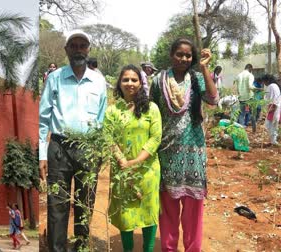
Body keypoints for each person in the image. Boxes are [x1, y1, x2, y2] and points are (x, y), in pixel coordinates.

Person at [39, 29, 107, 252]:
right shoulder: (55, 78)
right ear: (66, 49)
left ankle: (81, 247)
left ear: (88, 49)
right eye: (74, 45)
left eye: (82, 45)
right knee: (57, 205)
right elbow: (43, 119)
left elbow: (101, 119)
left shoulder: (98, 81)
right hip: (59, 148)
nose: (78, 49)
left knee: (85, 204)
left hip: (88, 149)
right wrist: (42, 154)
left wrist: (99, 150)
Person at [150, 38, 219, 252]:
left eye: (188, 55)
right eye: (179, 54)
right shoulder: (158, 80)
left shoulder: (197, 78)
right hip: (167, 154)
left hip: (193, 153)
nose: (184, 58)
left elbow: (213, 99)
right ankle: (169, 248)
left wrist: (205, 68)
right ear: (172, 54)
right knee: (168, 211)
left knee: (193, 213)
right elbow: (152, 112)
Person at [104, 64, 162, 252]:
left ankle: (149, 249)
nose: (130, 83)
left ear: (141, 83)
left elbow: (155, 138)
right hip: (122, 172)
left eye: (134, 79)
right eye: (125, 79)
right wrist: (122, 161)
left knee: (148, 211)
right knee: (125, 214)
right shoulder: (112, 111)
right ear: (119, 84)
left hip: (148, 171)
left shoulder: (151, 108)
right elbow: (108, 137)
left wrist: (135, 162)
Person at [261, 74, 281, 145]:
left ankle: (274, 141)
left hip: (273, 108)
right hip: (273, 107)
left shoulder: (272, 86)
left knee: (272, 125)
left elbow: (274, 99)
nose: (264, 83)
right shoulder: (274, 86)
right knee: (271, 125)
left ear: (267, 80)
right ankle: (273, 141)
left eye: (264, 81)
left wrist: (271, 109)